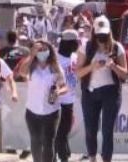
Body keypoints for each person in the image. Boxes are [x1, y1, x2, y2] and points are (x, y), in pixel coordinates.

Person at [76, 16, 128, 162]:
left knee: (107, 130)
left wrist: (113, 66)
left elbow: (125, 74)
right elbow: (78, 73)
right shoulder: (86, 47)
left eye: (104, 35)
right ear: (94, 33)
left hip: (110, 92)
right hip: (90, 92)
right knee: (90, 129)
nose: (101, 39)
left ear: (109, 32)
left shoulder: (117, 47)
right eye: (99, 35)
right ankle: (92, 157)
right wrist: (92, 66)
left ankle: (106, 159)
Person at [19, 40, 67, 162]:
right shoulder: (31, 66)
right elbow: (22, 72)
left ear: (50, 51)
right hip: (32, 111)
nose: (42, 52)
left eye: (45, 49)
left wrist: (58, 92)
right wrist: (31, 55)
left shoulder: (55, 67)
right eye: (39, 49)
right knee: (35, 141)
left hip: (51, 111)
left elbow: (64, 86)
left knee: (48, 141)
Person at [55, 30, 80, 162]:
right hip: (57, 102)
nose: (78, 45)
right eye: (76, 42)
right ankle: (61, 157)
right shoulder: (55, 58)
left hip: (70, 101)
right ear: (68, 43)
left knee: (64, 132)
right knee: (58, 133)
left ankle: (63, 154)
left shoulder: (75, 57)